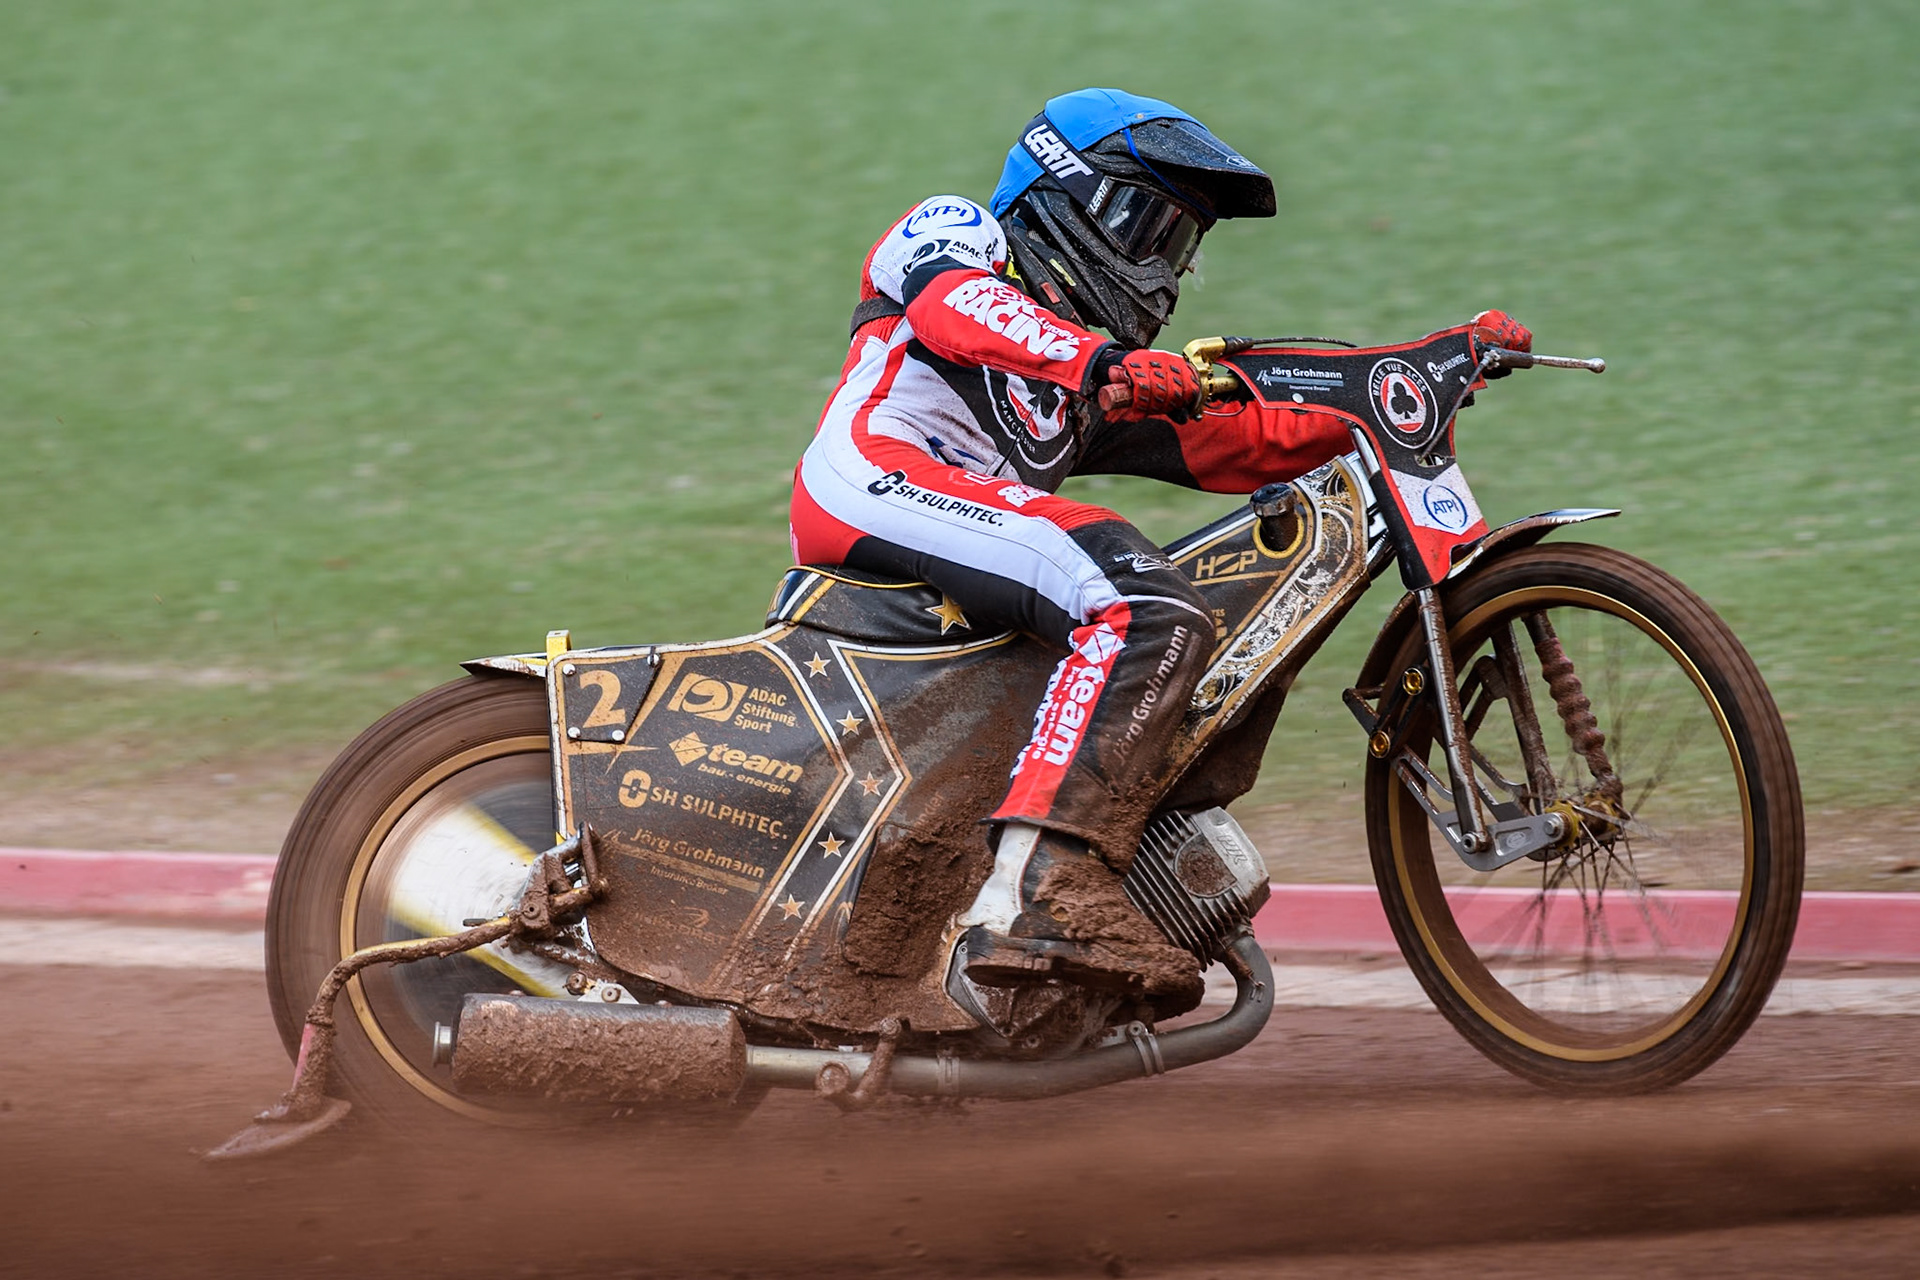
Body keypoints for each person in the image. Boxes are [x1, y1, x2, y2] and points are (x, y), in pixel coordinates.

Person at [789, 88, 1529, 1007]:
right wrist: (1097, 364)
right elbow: (955, 310)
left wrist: (1388, 395)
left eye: (1181, 244)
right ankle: (1036, 890)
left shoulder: (1078, 376)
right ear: (1063, 197)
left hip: (964, 507)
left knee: (1166, 612)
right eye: (1147, 225)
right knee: (1141, 598)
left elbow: (1232, 443)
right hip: (873, 477)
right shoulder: (959, 231)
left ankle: (1052, 889)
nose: (1164, 269)